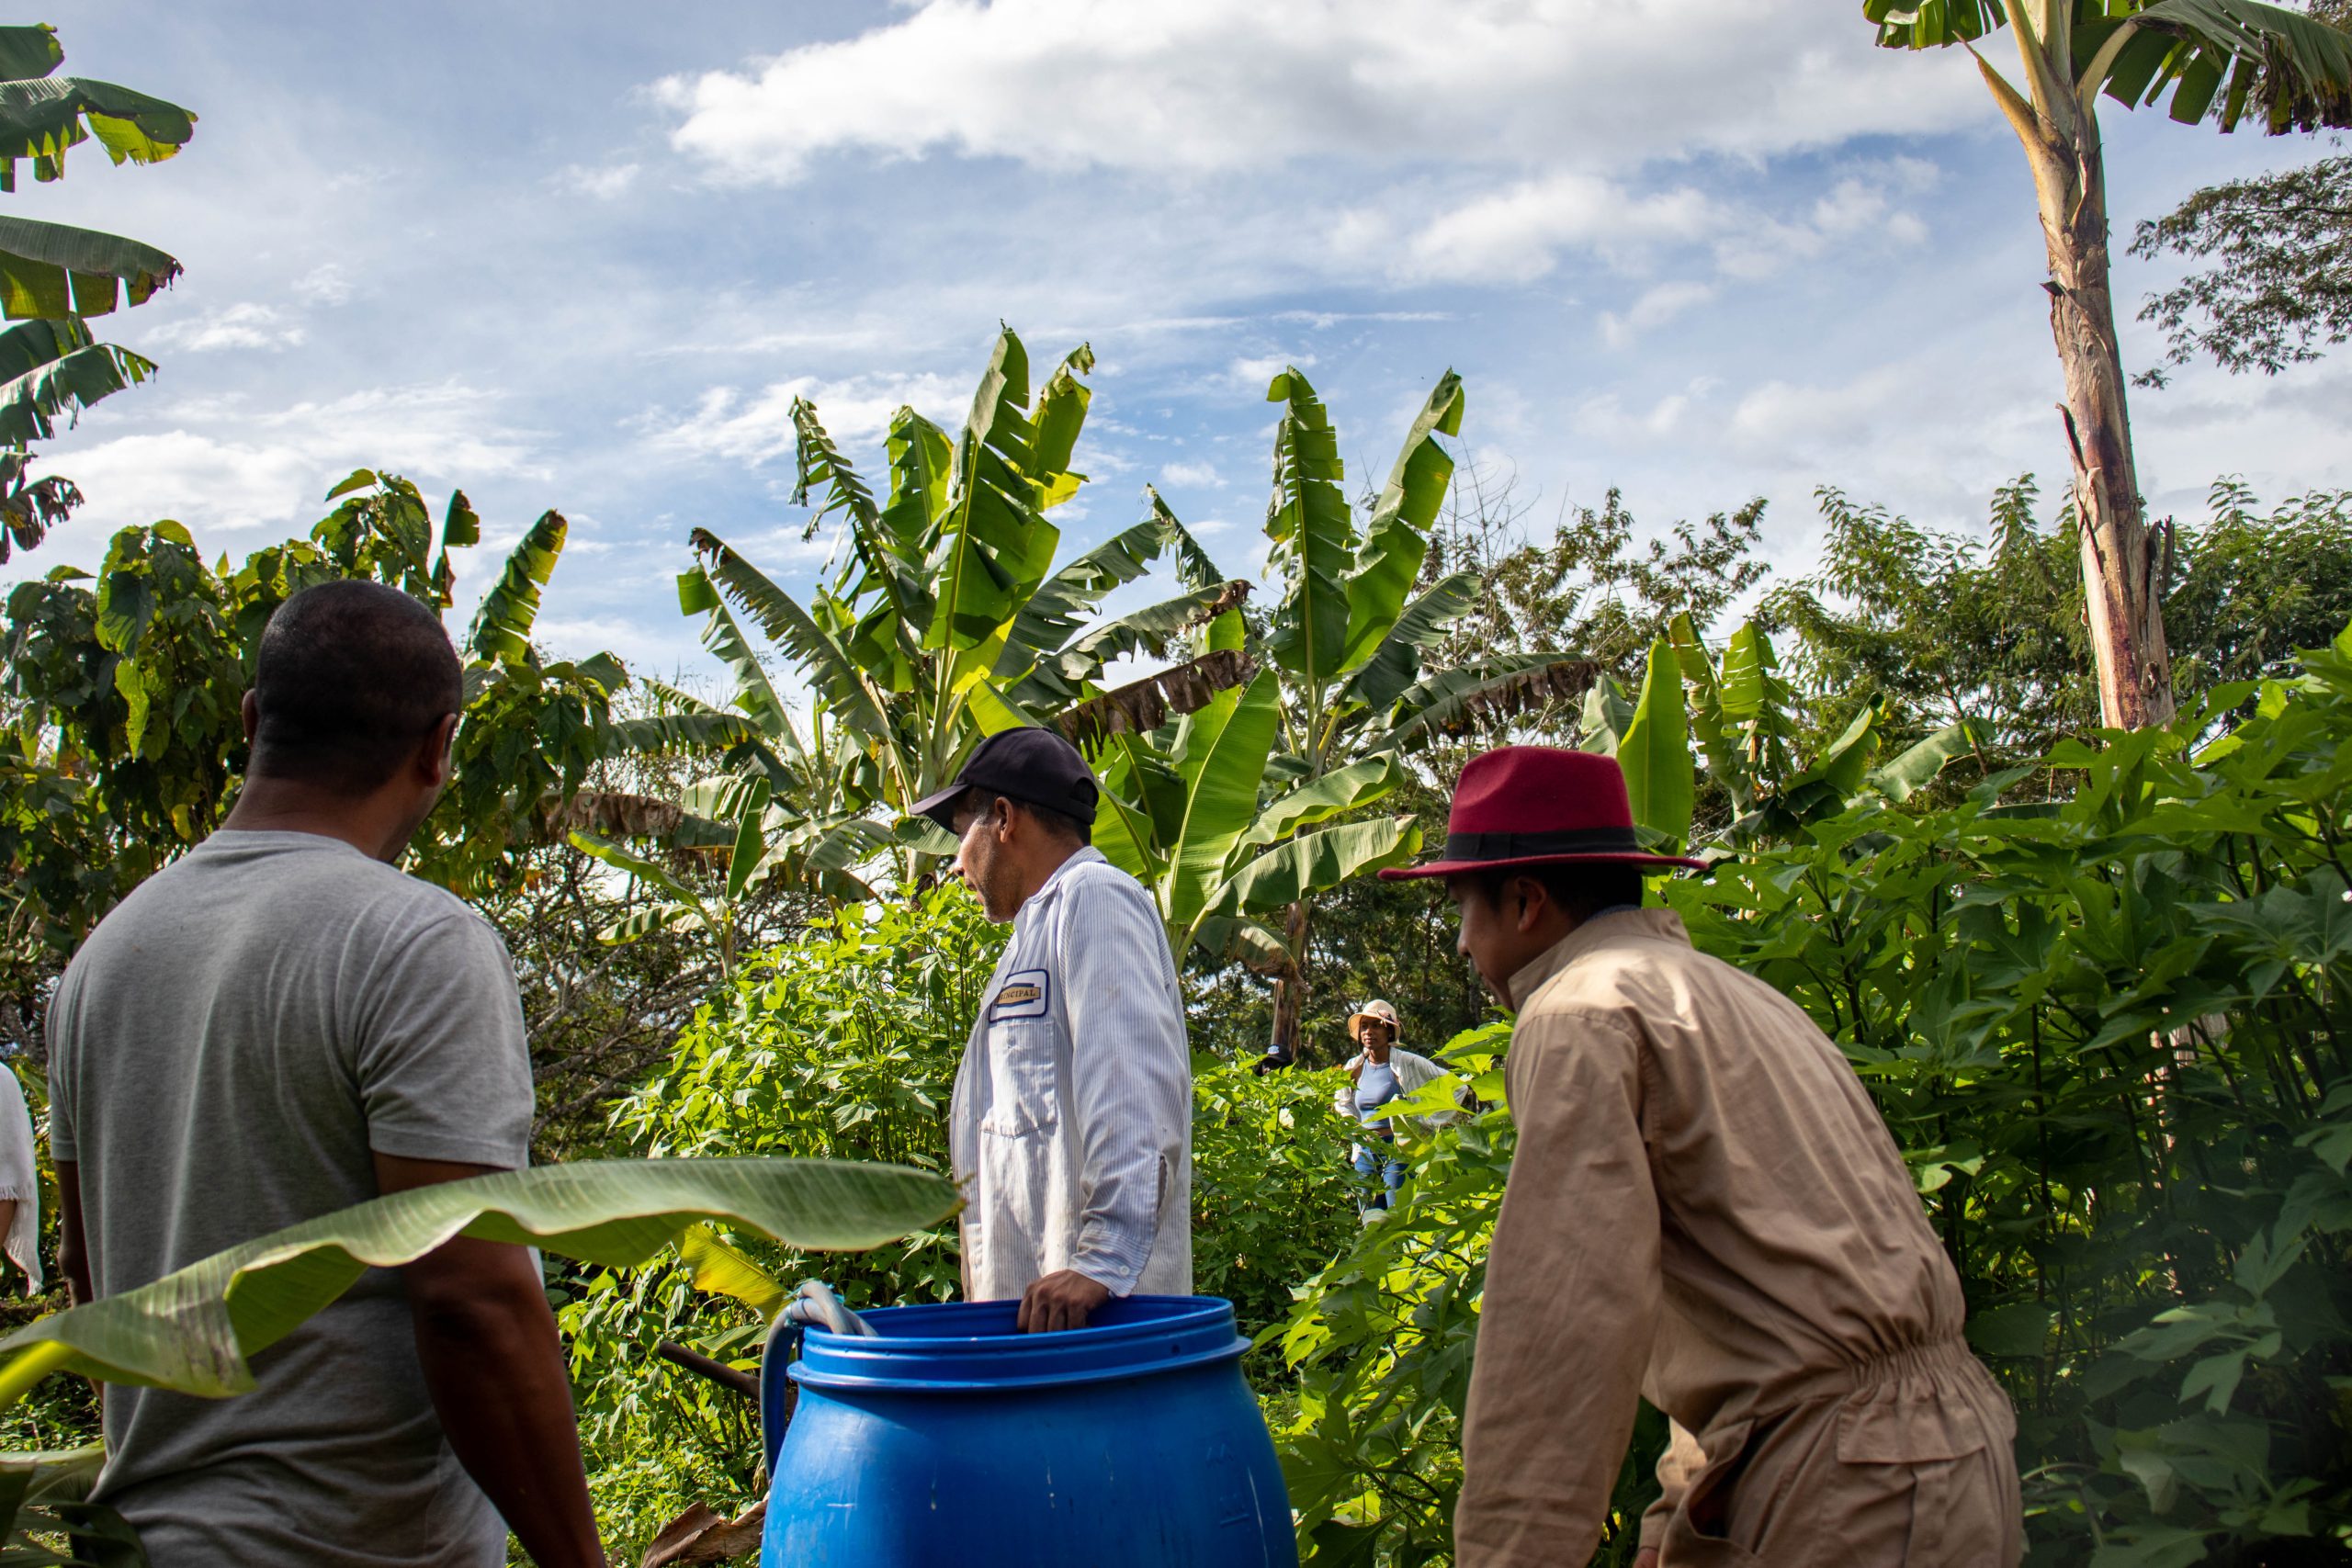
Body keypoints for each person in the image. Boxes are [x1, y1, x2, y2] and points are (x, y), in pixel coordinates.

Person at [47, 581, 603, 1568]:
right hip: (349, 1546)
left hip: (145, 1541)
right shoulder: (412, 939)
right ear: (437, 747)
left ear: (253, 720)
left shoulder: (104, 958)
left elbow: (93, 1286)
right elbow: (468, 1296)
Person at [1385, 746, 2020, 1567]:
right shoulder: (1738, 996)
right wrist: (1678, 1513)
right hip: (1954, 1456)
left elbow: (1564, 1325)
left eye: (1461, 909)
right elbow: (1757, 1306)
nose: (1464, 946)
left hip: (1847, 1494)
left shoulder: (1578, 1015)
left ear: (1524, 900)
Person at [913, 727, 1192, 1334]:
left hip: (1101, 1330)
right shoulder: (1031, 936)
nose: (958, 861)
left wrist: (1102, 1263)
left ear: (1005, 819)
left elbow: (1134, 1086)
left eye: (963, 833)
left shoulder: (1095, 898)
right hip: (1041, 1328)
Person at [1333, 999, 1451, 1212]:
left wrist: (1430, 1122)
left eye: (1376, 1026)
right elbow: (1342, 1102)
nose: (1369, 1032)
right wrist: (1351, 1126)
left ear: (1389, 1032)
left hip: (1397, 1148)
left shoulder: (1408, 1063)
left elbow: (1454, 1085)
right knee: (1368, 1217)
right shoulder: (1354, 1067)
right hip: (1365, 1150)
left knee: (1397, 1214)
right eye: (1365, 1026)